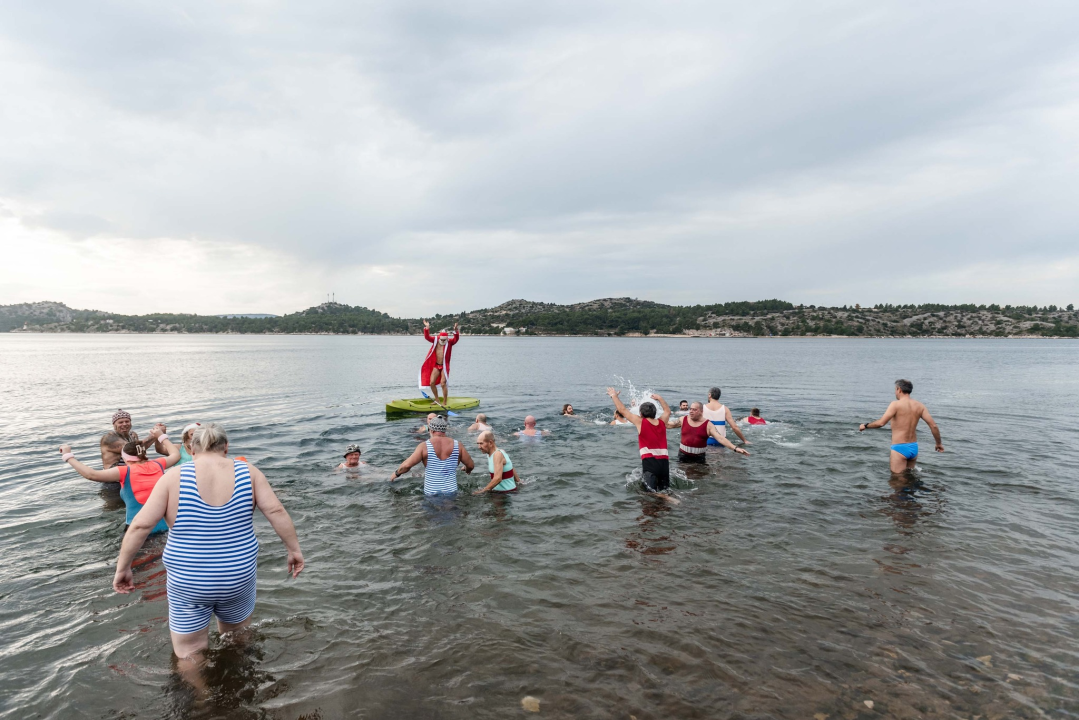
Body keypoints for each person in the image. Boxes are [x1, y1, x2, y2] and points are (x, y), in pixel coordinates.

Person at [112, 423, 304, 671]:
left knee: (189, 652)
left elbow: (140, 526)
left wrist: (123, 567)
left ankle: (201, 700)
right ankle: (239, 681)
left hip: (189, 581)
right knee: (236, 638)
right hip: (237, 576)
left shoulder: (173, 477)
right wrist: (294, 550)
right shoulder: (249, 472)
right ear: (226, 447)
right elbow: (276, 511)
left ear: (191, 449)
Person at [61, 426, 178, 534]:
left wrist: (68, 456)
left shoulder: (124, 471)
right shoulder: (159, 464)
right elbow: (175, 454)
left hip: (138, 530)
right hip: (165, 526)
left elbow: (92, 475)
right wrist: (161, 436)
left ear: (125, 458)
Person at [860, 379, 944, 473]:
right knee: (909, 478)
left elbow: (881, 423)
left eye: (895, 390)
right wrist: (938, 443)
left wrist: (866, 425)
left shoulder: (895, 404)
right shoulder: (920, 406)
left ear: (899, 389)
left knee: (897, 481)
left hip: (899, 448)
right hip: (914, 447)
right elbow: (933, 426)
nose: (895, 392)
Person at [606, 388, 675, 498]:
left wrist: (614, 396)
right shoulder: (662, 422)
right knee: (664, 489)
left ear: (641, 414)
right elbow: (667, 411)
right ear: (655, 412)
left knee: (649, 494)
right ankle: (666, 503)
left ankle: (666, 498)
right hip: (664, 464)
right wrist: (660, 398)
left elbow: (622, 410)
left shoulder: (641, 422)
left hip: (650, 463)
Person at [391, 415, 475, 494]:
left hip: (431, 494)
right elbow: (470, 465)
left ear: (431, 430)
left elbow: (406, 466)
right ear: (444, 430)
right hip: (451, 493)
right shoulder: (458, 445)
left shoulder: (424, 446)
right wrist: (467, 469)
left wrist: (396, 474)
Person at [668, 402, 750, 463]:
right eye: (690, 409)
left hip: (699, 458)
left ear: (701, 411)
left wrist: (735, 448)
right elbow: (668, 425)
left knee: (700, 479)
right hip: (683, 455)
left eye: (694, 410)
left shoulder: (708, 425)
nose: (691, 411)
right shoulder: (683, 419)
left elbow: (720, 438)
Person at [100, 409, 165, 470]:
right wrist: (155, 434)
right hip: (113, 477)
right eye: (120, 422)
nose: (124, 424)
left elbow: (139, 452)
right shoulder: (109, 439)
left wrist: (158, 435)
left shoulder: (133, 435)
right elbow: (133, 450)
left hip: (131, 471)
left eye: (127, 421)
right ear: (114, 425)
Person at [419, 320, 460, 406]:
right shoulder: (435, 340)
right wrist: (427, 328)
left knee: (443, 383)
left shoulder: (450, 342)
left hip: (444, 366)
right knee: (432, 383)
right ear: (439, 337)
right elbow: (427, 337)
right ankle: (437, 400)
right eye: (442, 339)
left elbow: (456, 339)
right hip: (436, 365)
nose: (443, 341)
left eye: (444, 340)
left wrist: (456, 330)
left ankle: (444, 401)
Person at [473, 431, 519, 495]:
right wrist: (519, 481)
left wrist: (482, 491)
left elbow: (498, 478)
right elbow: (511, 468)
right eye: (478, 444)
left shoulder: (497, 454)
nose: (479, 447)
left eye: (481, 443)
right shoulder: (498, 452)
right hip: (504, 492)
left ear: (490, 443)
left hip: (505, 494)